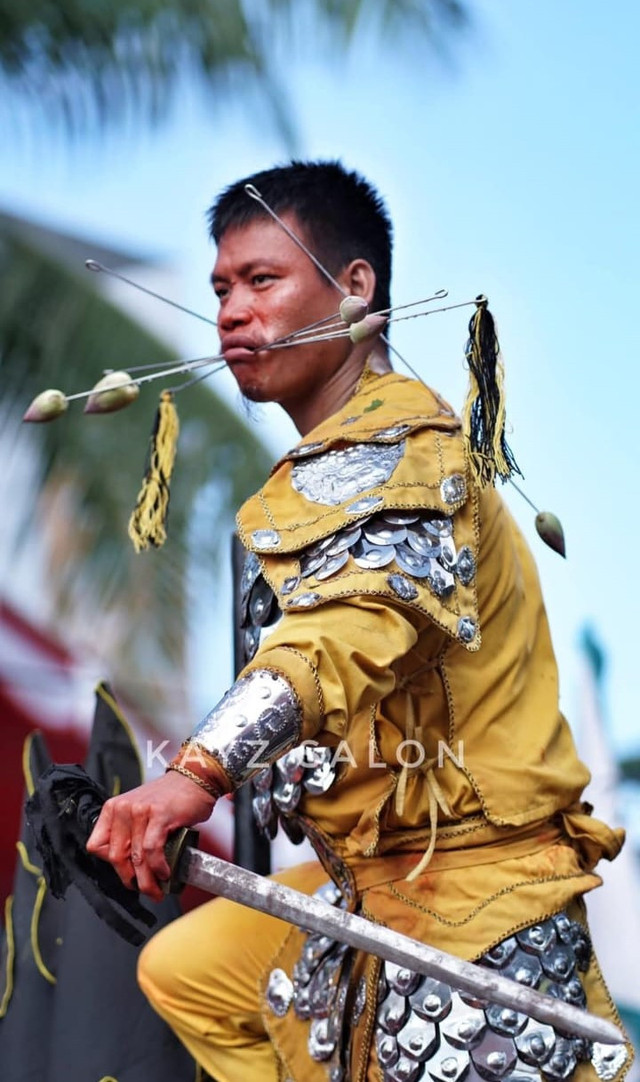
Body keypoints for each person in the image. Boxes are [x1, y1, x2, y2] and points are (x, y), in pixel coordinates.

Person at [87, 161, 632, 1082]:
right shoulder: (329, 468)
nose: (231, 310)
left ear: (354, 289)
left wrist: (198, 774)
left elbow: (346, 631)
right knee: (189, 967)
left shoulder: (401, 447)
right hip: (369, 887)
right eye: (221, 288)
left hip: (471, 896)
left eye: (263, 280)